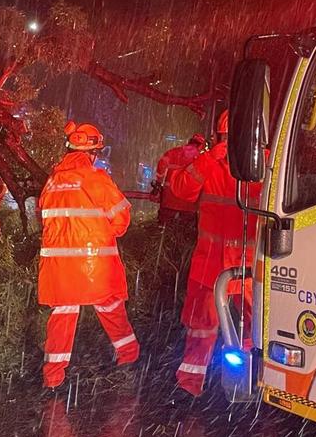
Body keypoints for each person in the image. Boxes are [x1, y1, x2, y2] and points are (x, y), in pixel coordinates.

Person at [36, 121, 140, 389]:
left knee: (62, 315)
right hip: (96, 268)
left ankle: (53, 377)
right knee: (111, 309)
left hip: (59, 269)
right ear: (93, 152)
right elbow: (121, 221)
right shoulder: (96, 179)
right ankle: (129, 358)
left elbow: (44, 219)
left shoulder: (51, 183)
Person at [168, 111, 258, 396]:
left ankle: (250, 385)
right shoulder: (211, 165)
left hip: (246, 265)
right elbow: (180, 189)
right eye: (228, 139)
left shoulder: (265, 165)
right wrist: (209, 158)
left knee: (255, 327)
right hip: (216, 264)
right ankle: (190, 386)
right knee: (202, 327)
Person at [153, 133, 206, 225]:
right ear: (201, 146)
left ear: (189, 142)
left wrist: (158, 183)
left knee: (164, 229)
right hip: (189, 205)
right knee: (185, 232)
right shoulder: (200, 160)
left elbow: (161, 166)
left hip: (169, 201)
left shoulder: (172, 153)